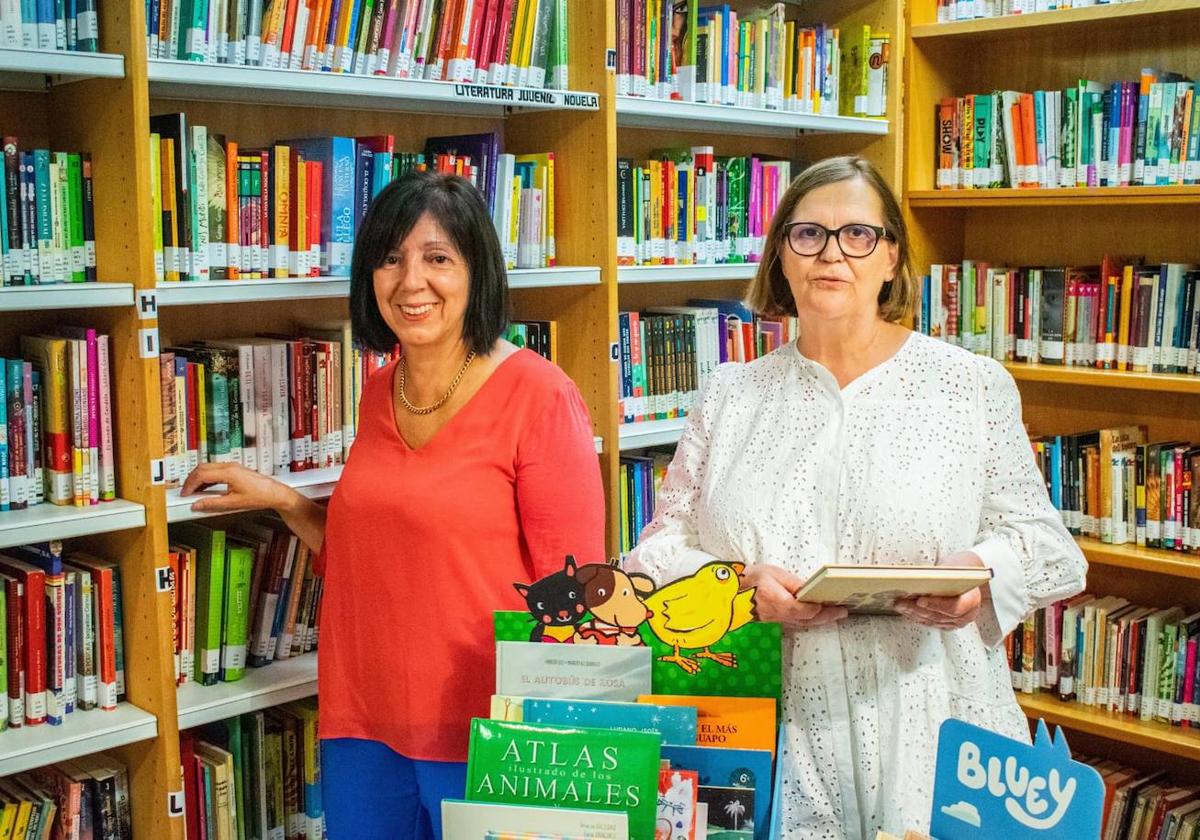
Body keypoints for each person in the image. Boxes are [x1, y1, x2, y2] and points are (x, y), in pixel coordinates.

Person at [624, 155, 1087, 839]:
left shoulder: (967, 386)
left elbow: (1051, 548)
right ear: (781, 255)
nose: (831, 254)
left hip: (934, 714)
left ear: (892, 257)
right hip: (765, 721)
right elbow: (656, 552)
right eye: (807, 234)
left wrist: (978, 576)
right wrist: (737, 589)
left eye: (858, 235)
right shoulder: (731, 393)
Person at [180, 171, 606, 839]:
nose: (411, 282)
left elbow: (579, 594)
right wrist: (286, 502)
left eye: (438, 258)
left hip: (489, 730)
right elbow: (377, 551)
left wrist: (558, 751)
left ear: (478, 272)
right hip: (364, 717)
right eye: (390, 257)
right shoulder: (380, 391)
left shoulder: (540, 396)